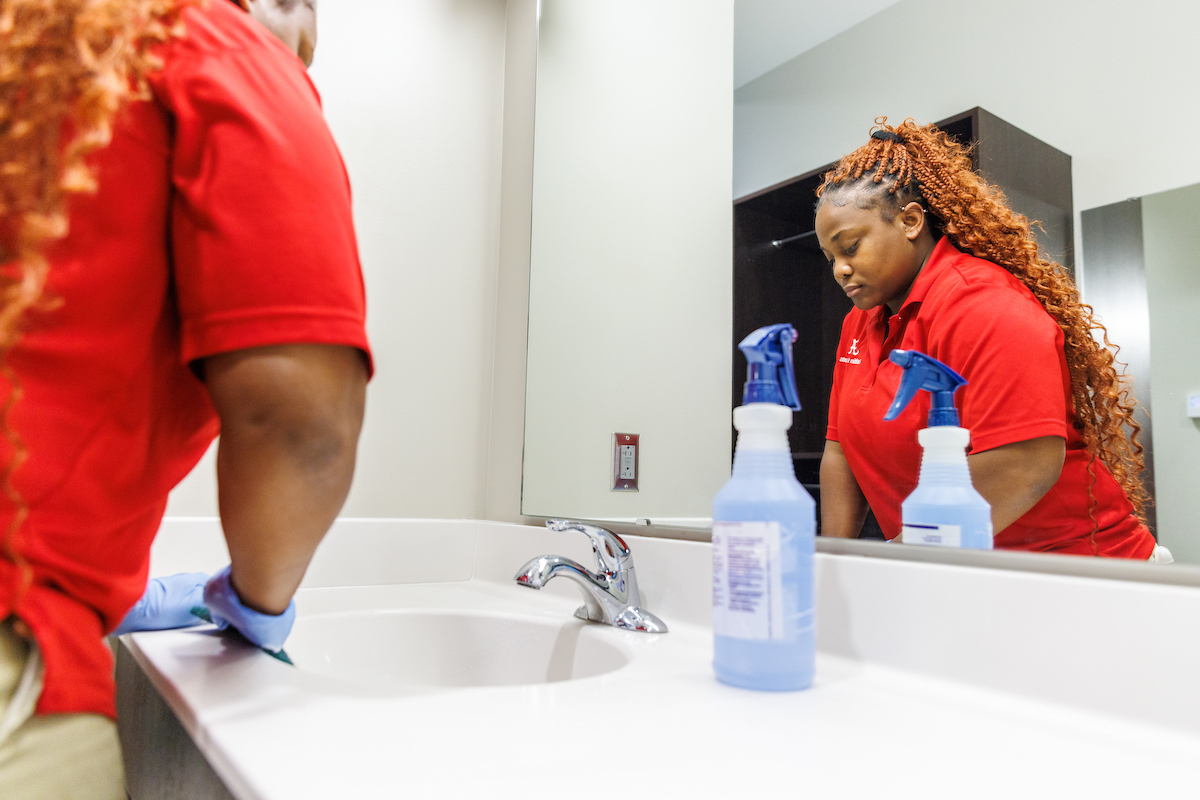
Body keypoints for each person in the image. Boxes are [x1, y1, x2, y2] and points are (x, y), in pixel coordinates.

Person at [0, 0, 370, 797]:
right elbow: (303, 423)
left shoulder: (37, 61)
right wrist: (254, 599)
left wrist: (110, 586)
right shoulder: (219, 49)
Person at [816, 118, 1158, 559]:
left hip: (1080, 567)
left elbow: (1023, 465)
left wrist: (897, 559)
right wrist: (830, 562)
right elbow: (839, 450)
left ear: (911, 221)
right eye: (830, 258)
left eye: (850, 247)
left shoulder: (985, 304)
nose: (839, 269)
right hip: (949, 562)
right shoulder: (858, 324)